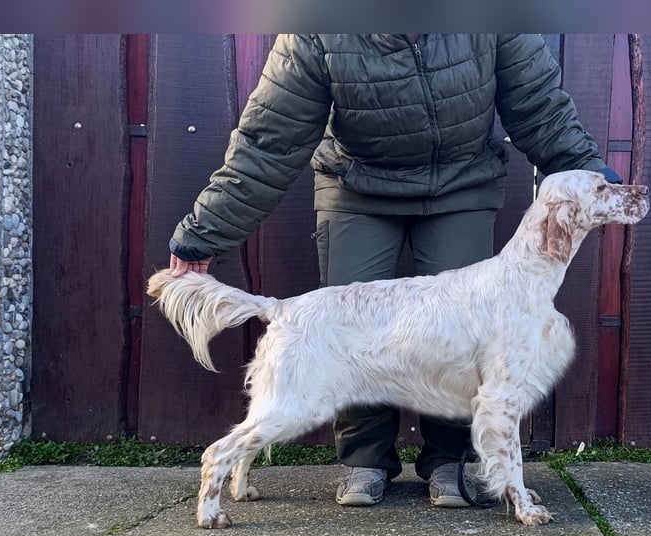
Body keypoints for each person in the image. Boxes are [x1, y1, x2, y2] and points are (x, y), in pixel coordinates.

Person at [168, 34, 622, 509]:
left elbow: (539, 105)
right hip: (357, 186)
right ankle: (365, 460)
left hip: (460, 184)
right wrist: (207, 230)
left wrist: (587, 176)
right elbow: (269, 138)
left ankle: (451, 460)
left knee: (468, 338)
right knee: (342, 333)